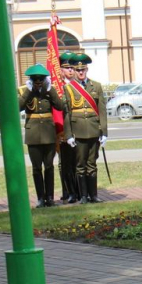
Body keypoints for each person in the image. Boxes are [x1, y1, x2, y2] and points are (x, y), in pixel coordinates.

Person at [63, 53, 108, 203]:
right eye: (78, 70)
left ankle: (93, 195)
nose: (81, 72)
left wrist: (104, 131)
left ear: (87, 70)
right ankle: (83, 196)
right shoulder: (68, 88)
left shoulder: (96, 86)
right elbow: (67, 113)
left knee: (92, 164)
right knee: (80, 165)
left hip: (94, 130)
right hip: (78, 131)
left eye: (83, 70)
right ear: (74, 71)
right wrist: (68, 135)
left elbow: (102, 110)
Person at [19, 64, 64, 208]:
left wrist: (50, 91)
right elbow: (18, 106)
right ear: (31, 80)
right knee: (36, 168)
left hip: (48, 133)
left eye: (41, 80)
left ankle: (50, 197)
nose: (39, 83)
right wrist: (29, 91)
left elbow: (60, 106)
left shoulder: (49, 90)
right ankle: (40, 198)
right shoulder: (24, 91)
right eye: (36, 81)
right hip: (33, 134)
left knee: (49, 166)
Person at [58, 51, 80, 202]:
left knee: (79, 162)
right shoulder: (57, 87)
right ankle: (68, 191)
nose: (71, 71)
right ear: (60, 70)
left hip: (79, 129)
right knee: (65, 163)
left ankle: (80, 191)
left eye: (72, 68)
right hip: (63, 131)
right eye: (67, 68)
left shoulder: (81, 86)